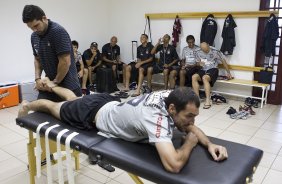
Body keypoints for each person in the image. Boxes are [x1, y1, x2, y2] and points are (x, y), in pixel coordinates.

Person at [18, 77, 228, 173]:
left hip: (109, 102)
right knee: (53, 107)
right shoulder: (156, 117)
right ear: (172, 110)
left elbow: (188, 126)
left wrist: (209, 144)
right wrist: (190, 143)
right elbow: (173, 165)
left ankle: (54, 86)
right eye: (189, 116)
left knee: (73, 99)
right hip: (92, 112)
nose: (192, 122)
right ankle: (28, 104)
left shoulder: (172, 97)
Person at [22, 5, 82, 102]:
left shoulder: (57, 31)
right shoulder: (34, 36)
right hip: (49, 84)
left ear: (44, 18)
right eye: (31, 28)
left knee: (70, 115)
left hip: (68, 85)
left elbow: (65, 62)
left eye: (36, 25)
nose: (34, 30)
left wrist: (55, 82)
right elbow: (37, 59)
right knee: (40, 112)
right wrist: (37, 79)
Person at [192, 42, 232, 109]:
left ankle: (208, 100)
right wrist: (199, 64)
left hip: (213, 69)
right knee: (194, 77)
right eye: (204, 50)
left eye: (207, 49)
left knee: (205, 78)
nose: (206, 51)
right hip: (203, 69)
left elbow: (223, 61)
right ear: (201, 49)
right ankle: (197, 98)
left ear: (208, 45)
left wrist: (228, 72)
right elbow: (196, 62)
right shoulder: (197, 51)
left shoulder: (215, 51)